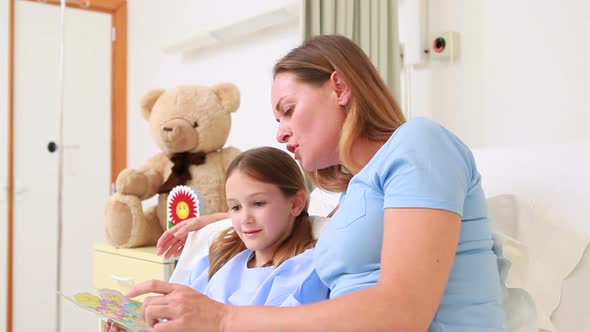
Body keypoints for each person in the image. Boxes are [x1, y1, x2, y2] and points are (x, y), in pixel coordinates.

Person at [125, 34, 505, 331]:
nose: (280, 134)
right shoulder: (355, 193)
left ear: (340, 88)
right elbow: (303, 218)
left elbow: (402, 314)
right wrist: (220, 220)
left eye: (288, 111)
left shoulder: (419, 143)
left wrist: (224, 320)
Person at [105, 147, 329, 331]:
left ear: (296, 203)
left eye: (259, 203)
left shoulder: (303, 271)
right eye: (235, 207)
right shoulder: (218, 259)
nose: (245, 219)